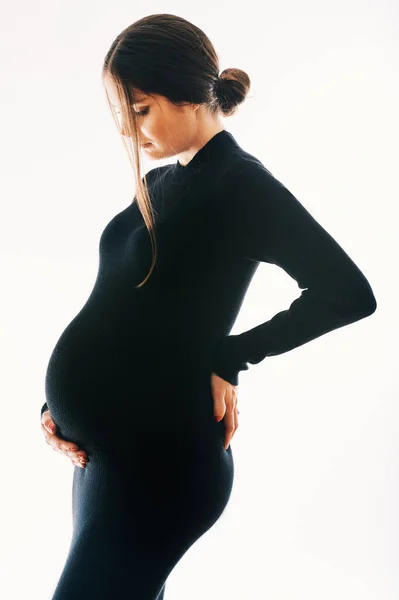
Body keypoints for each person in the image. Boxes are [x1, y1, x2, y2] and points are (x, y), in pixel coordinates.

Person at [40, 13, 377, 600]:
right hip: (106, 461)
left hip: (162, 463)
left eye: (140, 109)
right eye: (123, 113)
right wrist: (55, 406)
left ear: (189, 92)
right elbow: (128, 306)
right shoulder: (167, 181)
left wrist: (232, 355)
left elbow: (347, 292)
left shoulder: (239, 183)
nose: (129, 130)